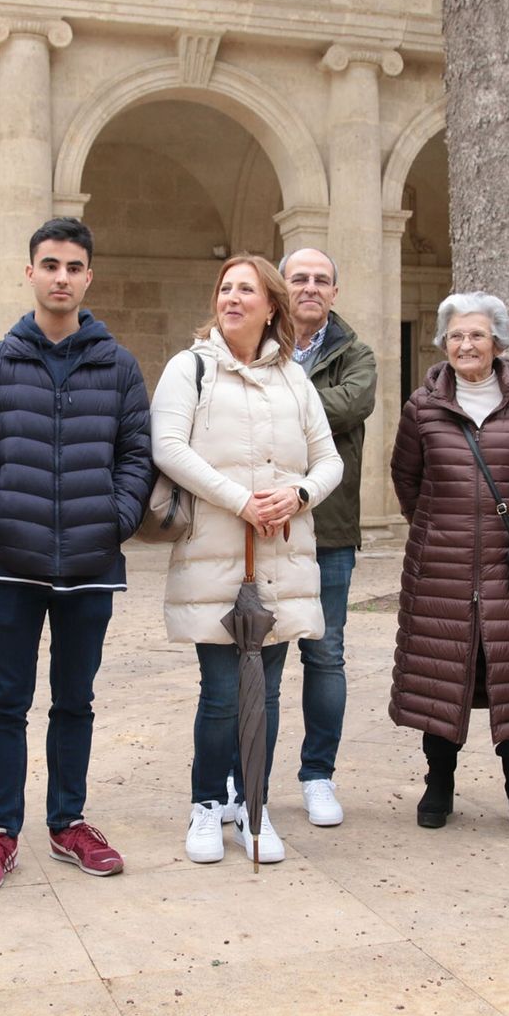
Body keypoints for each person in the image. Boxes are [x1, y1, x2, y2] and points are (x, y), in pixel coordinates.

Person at [0, 217, 151, 893]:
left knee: (75, 700)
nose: (61, 276)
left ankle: (68, 823)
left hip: (90, 565)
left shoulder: (118, 366)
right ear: (29, 272)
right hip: (11, 562)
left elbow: (136, 456)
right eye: (49, 264)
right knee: (6, 701)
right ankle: (0, 831)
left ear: (89, 277)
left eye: (73, 266)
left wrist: (114, 521)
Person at [152, 253, 342, 867]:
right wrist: (241, 501)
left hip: (282, 559)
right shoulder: (190, 369)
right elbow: (168, 448)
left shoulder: (295, 377)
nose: (232, 298)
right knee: (224, 693)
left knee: (269, 693)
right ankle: (207, 804)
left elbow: (329, 460)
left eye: (247, 290)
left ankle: (252, 804)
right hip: (217, 556)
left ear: (270, 306)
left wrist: (300, 493)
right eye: (225, 288)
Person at [388, 292, 509, 836]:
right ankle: (438, 784)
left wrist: (508, 527)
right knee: (441, 679)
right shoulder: (422, 407)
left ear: (498, 343)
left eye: (477, 335)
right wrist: (444, 529)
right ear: (444, 342)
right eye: (457, 335)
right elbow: (407, 480)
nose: (466, 344)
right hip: (439, 565)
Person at [273, 247, 377, 828]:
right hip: (261, 523)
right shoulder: (256, 345)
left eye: (321, 280)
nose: (310, 287)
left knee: (325, 652)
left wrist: (271, 403)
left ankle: (318, 775)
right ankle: (247, 776)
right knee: (260, 654)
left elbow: (350, 405)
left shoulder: (355, 353)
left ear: (334, 293)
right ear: (280, 287)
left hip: (330, 527)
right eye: (299, 278)